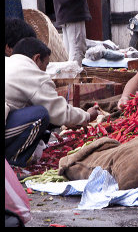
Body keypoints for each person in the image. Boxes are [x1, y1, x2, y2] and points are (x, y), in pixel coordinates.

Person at [5, 37, 99, 167]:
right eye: (46, 65)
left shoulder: (9, 63)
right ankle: (13, 163)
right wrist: (87, 116)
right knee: (40, 114)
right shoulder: (31, 73)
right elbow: (58, 110)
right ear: (37, 59)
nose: (45, 70)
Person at [51, 0, 99, 66]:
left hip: (67, 12)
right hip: (72, 11)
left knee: (69, 52)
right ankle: (73, 79)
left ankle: (68, 78)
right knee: (77, 50)